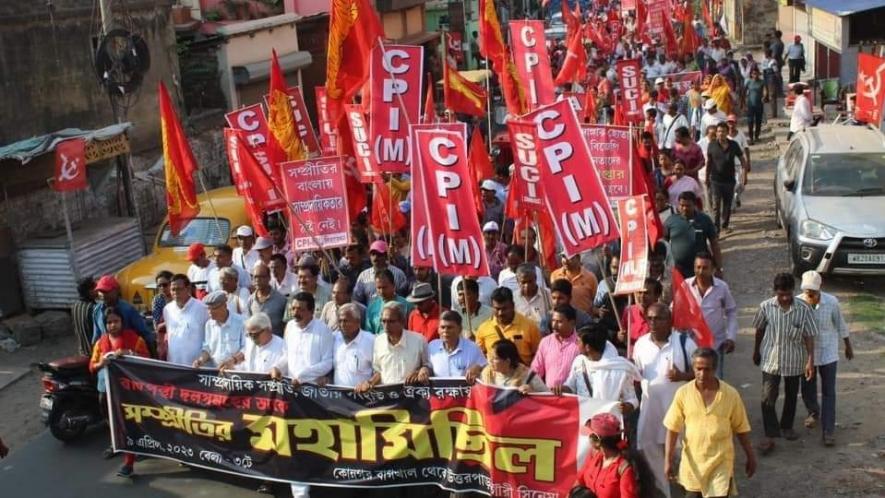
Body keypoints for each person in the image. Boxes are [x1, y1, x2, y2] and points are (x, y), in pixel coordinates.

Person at [663, 348, 757, 498]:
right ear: (693, 368)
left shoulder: (730, 395)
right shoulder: (683, 393)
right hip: (693, 466)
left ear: (714, 369)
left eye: (707, 369)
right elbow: (672, 429)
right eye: (698, 369)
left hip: (721, 464)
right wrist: (668, 461)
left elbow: (741, 428)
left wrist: (750, 456)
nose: (702, 374)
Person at [634, 303, 698, 498]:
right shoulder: (640, 344)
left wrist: (683, 376)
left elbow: (703, 373)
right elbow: (636, 376)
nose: (653, 323)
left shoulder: (685, 342)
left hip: (679, 414)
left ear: (669, 320)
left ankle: (691, 489)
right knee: (650, 451)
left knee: (684, 454)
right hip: (651, 413)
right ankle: (664, 491)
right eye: (650, 318)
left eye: (659, 318)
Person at [752, 272, 819, 455]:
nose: (785, 298)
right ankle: (771, 431)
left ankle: (787, 426)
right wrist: (756, 350)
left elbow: (809, 336)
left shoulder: (804, 309)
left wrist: (810, 360)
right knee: (768, 397)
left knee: (791, 395)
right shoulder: (766, 307)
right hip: (770, 359)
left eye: (788, 293)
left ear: (793, 291)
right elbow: (759, 330)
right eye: (781, 294)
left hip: (794, 360)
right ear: (775, 291)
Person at [89, 308, 150, 477]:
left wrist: (129, 353)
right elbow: (91, 366)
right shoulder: (100, 343)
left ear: (122, 322)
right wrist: (101, 363)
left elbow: (147, 359)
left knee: (130, 423)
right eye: (109, 322)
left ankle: (129, 461)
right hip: (107, 390)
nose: (112, 325)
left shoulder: (134, 339)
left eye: (116, 321)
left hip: (129, 391)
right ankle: (120, 446)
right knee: (115, 423)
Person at [796, 270, 852, 446]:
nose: (810, 294)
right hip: (805, 354)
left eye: (813, 290)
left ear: (820, 288)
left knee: (829, 392)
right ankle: (813, 411)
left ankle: (828, 430)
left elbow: (840, 323)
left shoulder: (831, 302)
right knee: (807, 387)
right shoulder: (798, 303)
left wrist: (848, 345)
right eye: (807, 291)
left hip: (828, 351)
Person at [556, 327, 638, 413]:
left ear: (587, 347)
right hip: (583, 419)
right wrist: (561, 389)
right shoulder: (579, 362)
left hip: (607, 422)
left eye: (579, 341)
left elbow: (632, 399)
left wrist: (626, 406)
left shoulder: (619, 368)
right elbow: (571, 386)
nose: (576, 343)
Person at [683, 253, 738, 378]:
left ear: (712, 269)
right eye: (698, 267)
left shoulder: (721, 287)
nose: (701, 271)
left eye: (705, 268)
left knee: (715, 382)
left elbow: (731, 311)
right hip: (691, 344)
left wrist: (731, 337)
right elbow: (675, 310)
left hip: (715, 345)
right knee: (692, 382)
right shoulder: (685, 286)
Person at [355, 302, 431, 391]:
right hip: (388, 397)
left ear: (402, 321)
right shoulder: (378, 341)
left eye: (391, 321)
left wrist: (422, 371)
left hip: (413, 396)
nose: (386, 326)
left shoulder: (419, 340)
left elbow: (428, 366)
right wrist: (370, 382)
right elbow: (379, 371)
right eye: (383, 321)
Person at [271, 292, 335, 386]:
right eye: (293, 309)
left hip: (312, 387)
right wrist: (277, 368)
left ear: (312, 311)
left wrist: (302, 377)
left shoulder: (323, 330)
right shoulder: (290, 326)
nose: (295, 313)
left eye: (300, 309)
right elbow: (286, 355)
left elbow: (328, 362)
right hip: (291, 386)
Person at [572, 413, 638, 498]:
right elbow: (579, 480)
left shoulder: (623, 469)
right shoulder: (593, 455)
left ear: (596, 440)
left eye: (590, 435)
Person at [476, 287, 541, 366]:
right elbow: (479, 358)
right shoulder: (483, 329)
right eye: (497, 309)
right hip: (494, 376)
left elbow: (538, 356)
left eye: (504, 309)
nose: (500, 313)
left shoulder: (530, 326)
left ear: (513, 306)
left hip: (522, 376)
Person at [665, 191, 721, 278]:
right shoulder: (671, 221)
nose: (684, 208)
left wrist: (718, 268)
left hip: (700, 269)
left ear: (694, 205)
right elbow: (664, 243)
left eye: (688, 206)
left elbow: (714, 244)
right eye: (682, 205)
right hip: (678, 270)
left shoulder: (705, 220)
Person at [706, 122, 748, 232]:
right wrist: (706, 178)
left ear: (727, 132)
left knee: (727, 204)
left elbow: (743, 161)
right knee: (716, 205)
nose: (721, 133)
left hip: (729, 180)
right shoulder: (712, 145)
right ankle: (716, 228)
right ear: (716, 133)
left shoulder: (733, 145)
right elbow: (709, 163)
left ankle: (725, 225)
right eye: (719, 131)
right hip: (715, 180)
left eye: (723, 131)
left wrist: (745, 175)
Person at [92, 275, 153, 349]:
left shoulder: (128, 310)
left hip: (128, 354)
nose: (103, 294)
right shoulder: (97, 311)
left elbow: (144, 333)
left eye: (106, 291)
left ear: (116, 291)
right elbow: (96, 337)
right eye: (100, 291)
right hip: (107, 355)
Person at [529, 305, 582, 389]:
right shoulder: (545, 342)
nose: (554, 325)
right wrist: (528, 384)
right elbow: (536, 368)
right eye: (553, 320)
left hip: (572, 397)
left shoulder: (580, 345)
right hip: (550, 397)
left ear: (572, 323)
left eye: (559, 322)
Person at [162, 274, 209, 366]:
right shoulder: (167, 309)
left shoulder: (202, 308)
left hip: (197, 366)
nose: (175, 292)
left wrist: (202, 359)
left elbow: (210, 337)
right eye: (173, 289)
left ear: (188, 289)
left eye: (179, 289)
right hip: (174, 364)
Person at [218, 312, 286, 374]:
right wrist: (231, 368)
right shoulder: (250, 344)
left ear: (267, 330)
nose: (252, 338)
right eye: (249, 335)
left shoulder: (282, 347)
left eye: (255, 335)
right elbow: (247, 368)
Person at [192, 291, 246, 368]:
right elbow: (208, 349)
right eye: (208, 309)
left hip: (236, 372)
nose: (210, 312)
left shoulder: (241, 322)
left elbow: (246, 348)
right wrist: (200, 360)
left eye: (213, 308)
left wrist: (233, 360)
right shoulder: (209, 324)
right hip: (215, 371)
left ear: (224, 306)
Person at [428, 311, 486, 380]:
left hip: (466, 389)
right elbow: (427, 366)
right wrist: (424, 369)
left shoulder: (472, 348)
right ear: (438, 330)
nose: (445, 331)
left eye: (450, 327)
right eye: (442, 327)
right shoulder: (432, 346)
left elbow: (486, 367)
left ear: (460, 329)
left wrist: (478, 368)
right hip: (438, 390)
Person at [331, 304, 375, 387]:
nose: (342, 324)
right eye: (340, 321)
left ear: (358, 322)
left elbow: (379, 370)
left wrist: (370, 383)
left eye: (346, 321)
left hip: (363, 396)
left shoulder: (371, 341)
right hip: (337, 397)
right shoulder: (333, 338)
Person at [364, 269, 413, 334]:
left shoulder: (406, 305)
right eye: (379, 288)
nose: (381, 291)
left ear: (393, 286)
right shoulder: (372, 307)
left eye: (384, 287)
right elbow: (368, 332)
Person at [619, 278, 663, 350]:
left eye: (646, 293)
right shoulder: (629, 311)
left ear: (657, 296)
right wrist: (620, 337)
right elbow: (623, 335)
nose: (642, 296)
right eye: (639, 292)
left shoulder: (663, 315)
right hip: (630, 357)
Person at [247, 263, 287, 336]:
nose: (257, 280)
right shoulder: (251, 300)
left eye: (261, 277)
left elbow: (286, 326)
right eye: (255, 277)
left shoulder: (281, 300)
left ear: (269, 278)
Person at [725, 115, 751, 210]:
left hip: (739, 164)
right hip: (728, 165)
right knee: (731, 185)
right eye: (729, 122)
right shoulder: (725, 135)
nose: (731, 125)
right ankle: (732, 206)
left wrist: (748, 162)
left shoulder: (740, 134)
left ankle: (736, 196)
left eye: (733, 122)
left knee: (741, 185)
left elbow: (746, 148)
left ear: (736, 123)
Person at [71, 276, 96, 356]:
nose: (97, 291)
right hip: (93, 351)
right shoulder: (92, 308)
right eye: (95, 289)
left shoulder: (75, 305)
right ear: (89, 291)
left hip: (82, 350)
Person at [744, 67, 766, 143]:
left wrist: (764, 96)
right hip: (750, 105)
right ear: (751, 74)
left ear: (758, 74)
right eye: (753, 74)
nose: (755, 75)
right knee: (750, 121)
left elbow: (765, 91)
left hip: (759, 105)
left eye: (756, 73)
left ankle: (756, 136)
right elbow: (743, 92)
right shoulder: (748, 82)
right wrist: (743, 103)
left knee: (758, 121)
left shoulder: (762, 82)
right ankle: (751, 138)